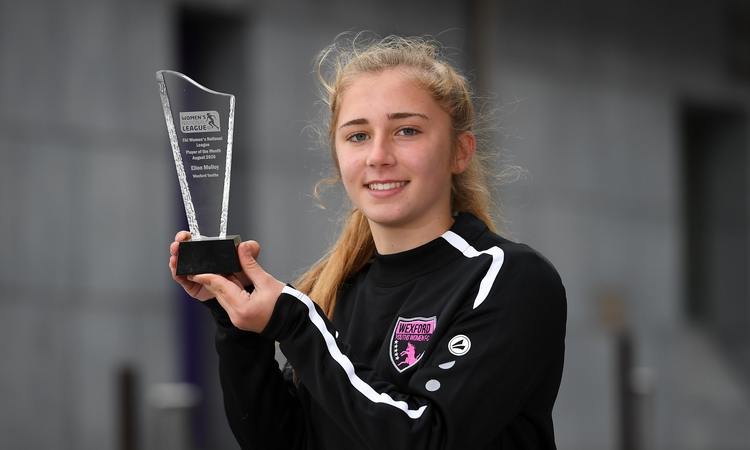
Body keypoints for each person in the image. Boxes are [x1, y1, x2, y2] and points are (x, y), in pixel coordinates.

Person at [169, 34, 566, 450]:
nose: (378, 155)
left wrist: (295, 323)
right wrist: (237, 321)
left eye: (407, 130)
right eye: (357, 136)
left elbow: (427, 438)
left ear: (459, 152)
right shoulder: (336, 288)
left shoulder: (509, 278)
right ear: (338, 157)